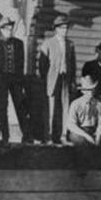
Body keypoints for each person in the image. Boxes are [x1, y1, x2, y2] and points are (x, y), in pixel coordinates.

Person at [66, 74, 101, 184]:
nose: (91, 93)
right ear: (83, 91)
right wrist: (86, 136)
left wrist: (99, 135)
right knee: (81, 144)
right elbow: (71, 124)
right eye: (88, 90)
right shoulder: (76, 104)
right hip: (79, 131)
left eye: (92, 90)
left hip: (94, 131)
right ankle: (81, 177)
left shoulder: (98, 104)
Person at [37, 13, 77, 144]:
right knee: (51, 108)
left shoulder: (70, 45)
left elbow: (73, 64)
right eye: (62, 28)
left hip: (65, 79)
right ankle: (48, 136)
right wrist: (45, 81)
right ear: (56, 29)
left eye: (66, 28)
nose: (65, 30)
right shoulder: (48, 43)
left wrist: (72, 81)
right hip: (52, 80)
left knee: (65, 107)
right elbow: (42, 65)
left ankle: (62, 135)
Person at [0, 16, 31, 143]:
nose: (9, 30)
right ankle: (5, 136)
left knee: (20, 106)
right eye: (6, 28)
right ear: (1, 30)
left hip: (16, 80)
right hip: (0, 80)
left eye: (10, 28)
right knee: (2, 108)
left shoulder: (18, 43)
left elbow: (21, 64)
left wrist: (21, 82)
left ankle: (26, 135)